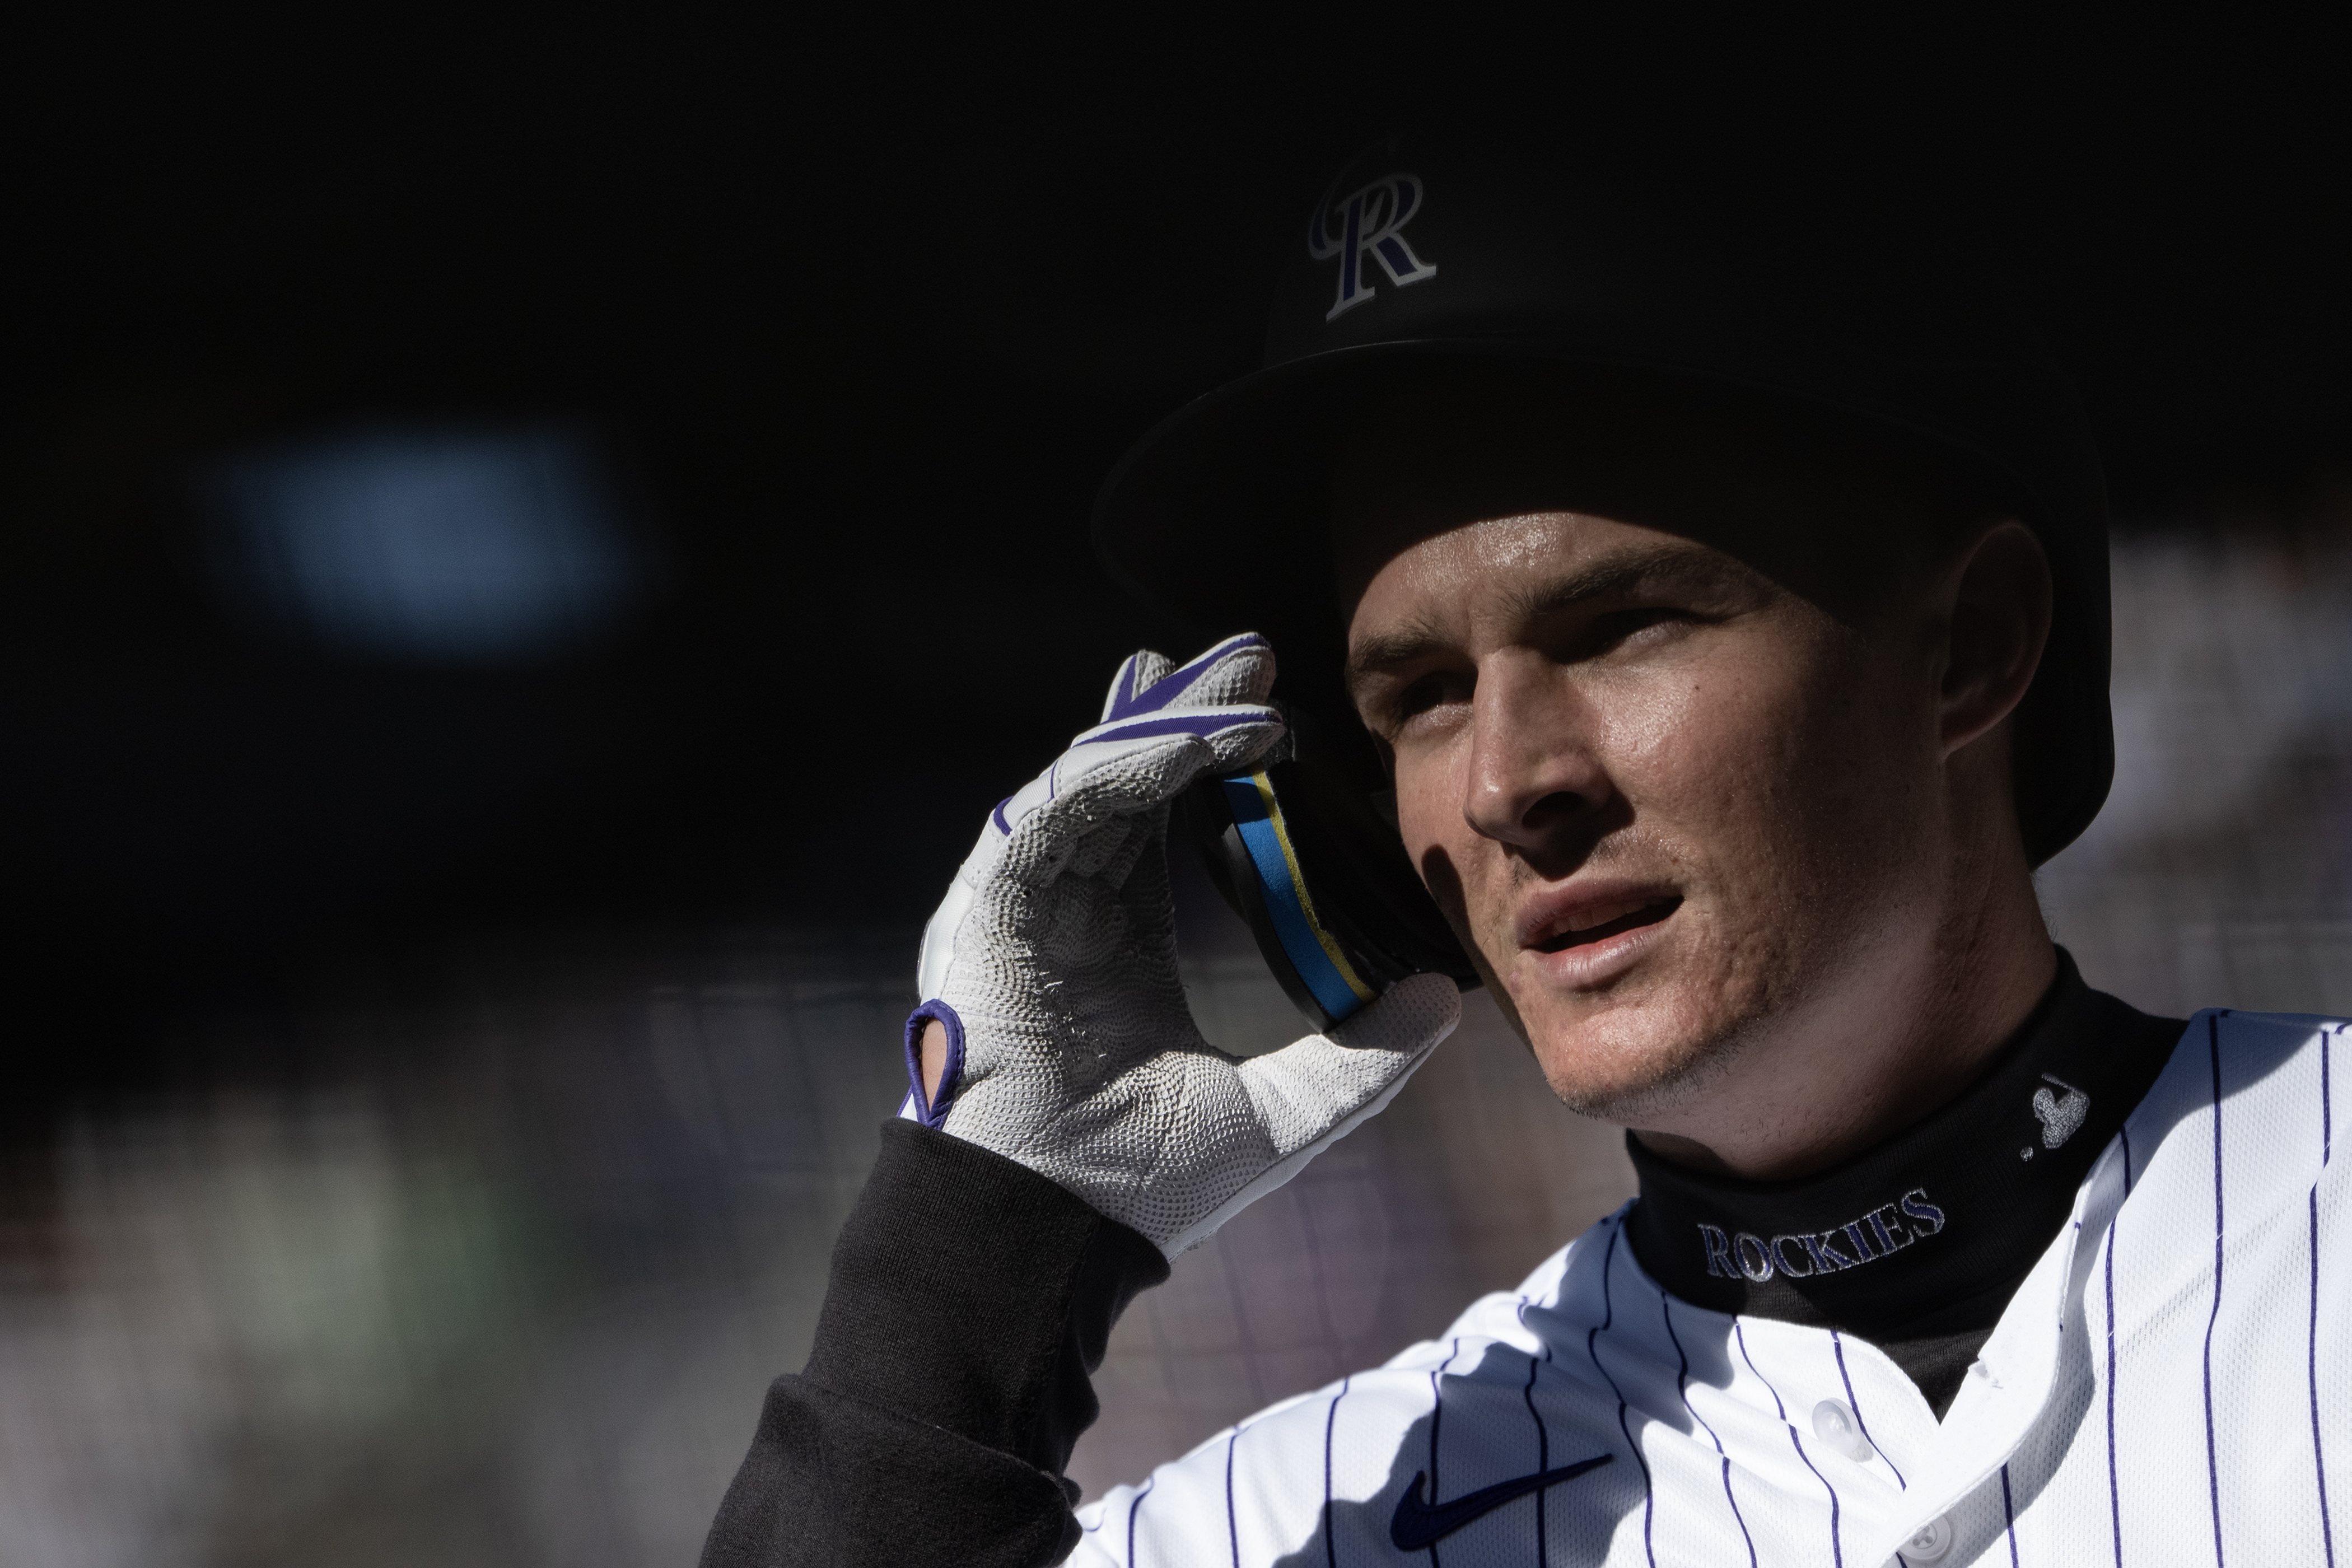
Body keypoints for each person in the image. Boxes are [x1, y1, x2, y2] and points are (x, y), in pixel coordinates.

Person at [700, 129, 2348, 1566]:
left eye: (1622, 625)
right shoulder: (1315, 1517)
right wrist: (978, 1247)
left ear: (1972, 644)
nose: (1503, 782)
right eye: (1418, 694)